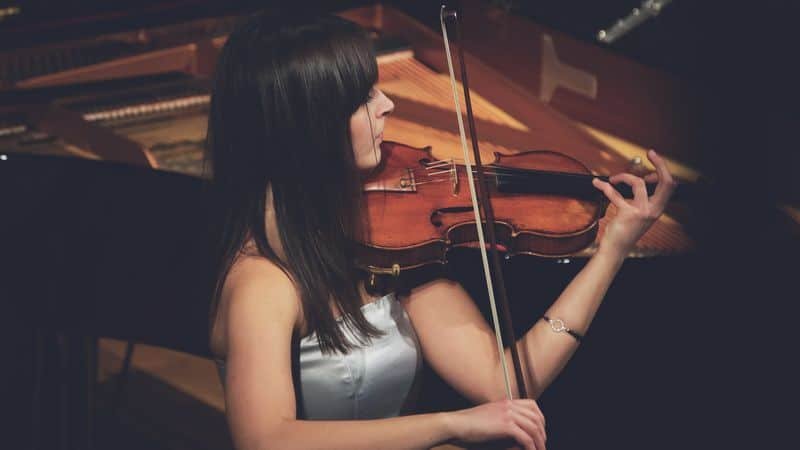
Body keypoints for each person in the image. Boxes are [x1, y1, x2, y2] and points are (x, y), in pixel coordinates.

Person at [205, 10, 676, 450]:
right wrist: (452, 424)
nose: (387, 104)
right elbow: (265, 439)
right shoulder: (263, 282)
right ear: (308, 128)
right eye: (364, 99)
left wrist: (613, 250)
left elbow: (505, 378)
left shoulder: (389, 238)